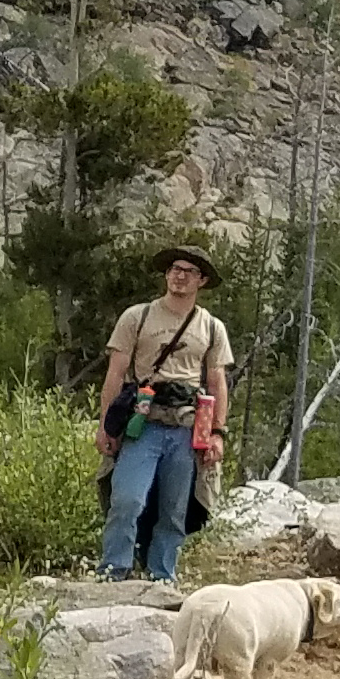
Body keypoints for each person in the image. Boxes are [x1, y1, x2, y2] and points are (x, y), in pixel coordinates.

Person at [95, 244, 232, 580]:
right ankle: (114, 570)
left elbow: (217, 382)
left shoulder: (212, 328)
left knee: (174, 510)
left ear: (201, 280)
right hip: (142, 425)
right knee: (127, 500)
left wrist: (217, 433)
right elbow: (115, 374)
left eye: (188, 271)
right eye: (174, 268)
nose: (179, 275)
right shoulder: (137, 317)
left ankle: (162, 576)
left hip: (186, 429)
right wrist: (105, 427)